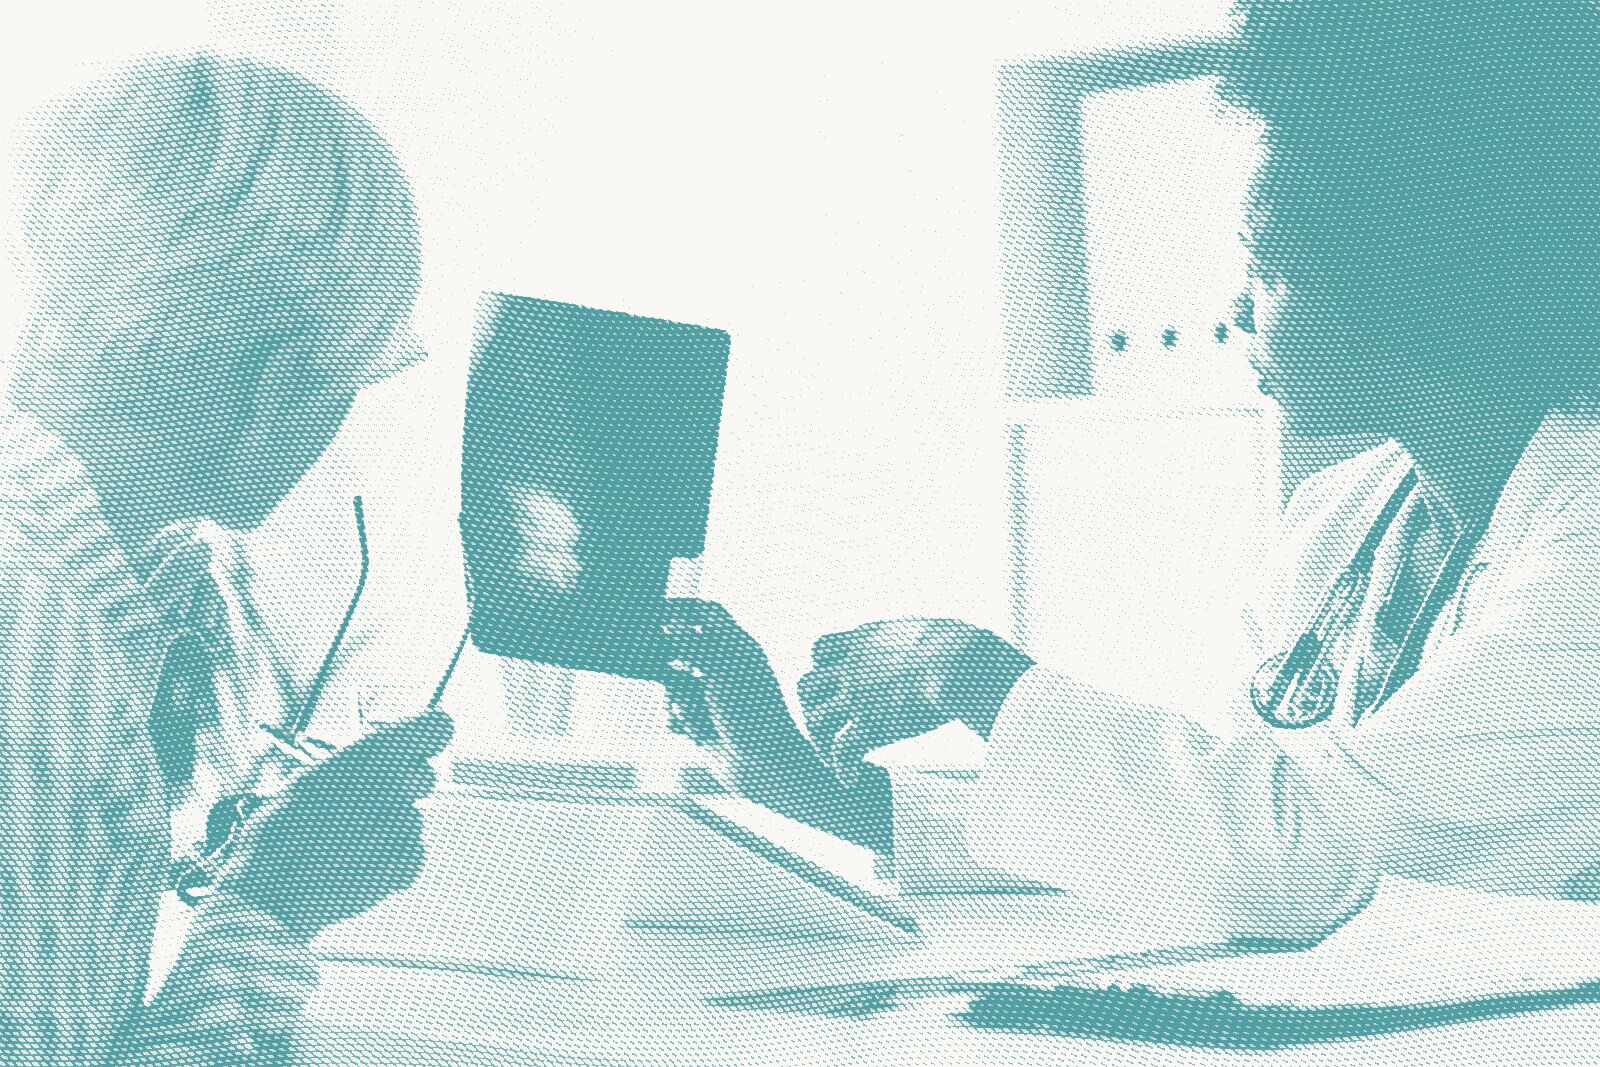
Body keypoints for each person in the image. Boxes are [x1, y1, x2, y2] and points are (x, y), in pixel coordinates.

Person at [664, 0, 1600, 944]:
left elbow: (1300, 866)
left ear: (1406, 284)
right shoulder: (1342, 517)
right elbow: (1200, 844)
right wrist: (813, 788)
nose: (1235, 309)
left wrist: (972, 675)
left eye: (1268, 268)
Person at [3, 52, 451, 1064]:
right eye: (352, 377)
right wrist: (273, 903)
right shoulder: (37, 635)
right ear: (279, 385)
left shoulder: (85, 591)